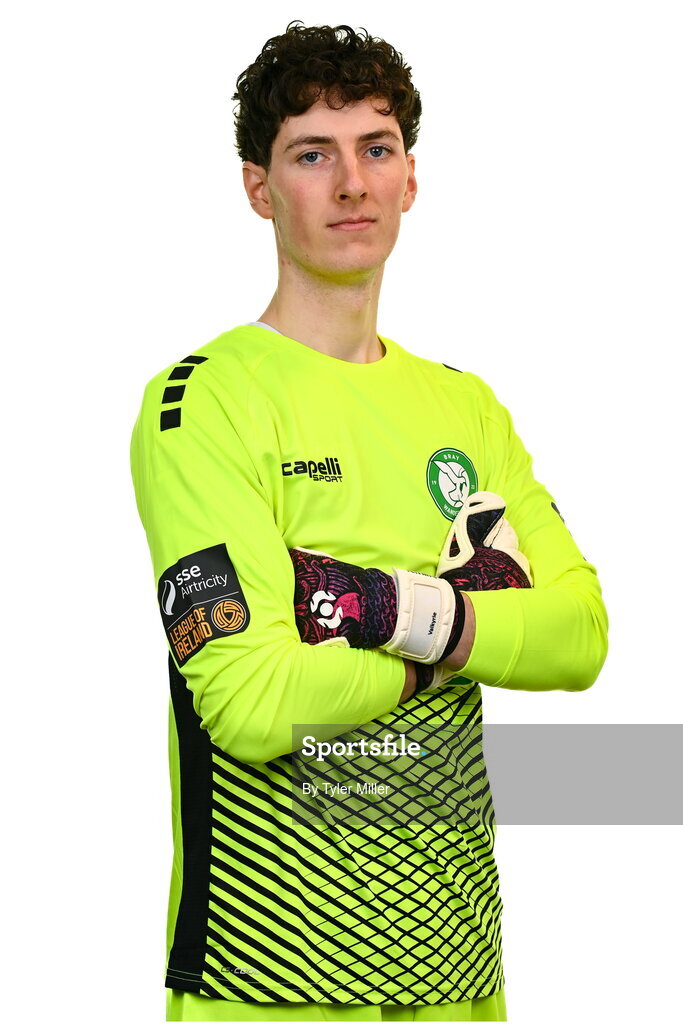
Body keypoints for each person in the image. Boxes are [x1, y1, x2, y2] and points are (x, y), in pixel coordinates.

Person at [129, 21, 608, 1024]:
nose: (351, 183)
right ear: (260, 188)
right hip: (271, 986)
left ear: (408, 178)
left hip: (458, 975)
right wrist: (470, 622)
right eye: (312, 153)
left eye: (374, 148)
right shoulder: (204, 402)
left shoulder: (462, 404)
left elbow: (576, 636)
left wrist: (369, 606)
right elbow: (255, 704)